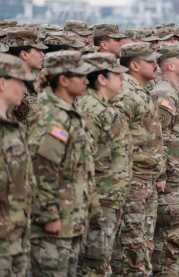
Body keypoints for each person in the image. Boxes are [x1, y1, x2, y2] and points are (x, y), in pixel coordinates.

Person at [28, 50, 97, 276]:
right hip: (55, 222)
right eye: (80, 76)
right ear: (64, 80)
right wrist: (49, 215)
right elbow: (42, 169)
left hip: (72, 216)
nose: (87, 80)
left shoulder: (70, 112)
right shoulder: (52, 115)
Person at [110, 42, 165, 276]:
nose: (156, 65)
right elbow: (117, 141)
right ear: (134, 65)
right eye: (150, 61)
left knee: (143, 239)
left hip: (147, 177)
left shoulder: (143, 90)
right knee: (131, 243)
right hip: (133, 178)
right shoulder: (126, 94)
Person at [77, 53, 131, 276]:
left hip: (111, 194)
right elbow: (84, 158)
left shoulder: (104, 105)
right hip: (100, 196)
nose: (122, 80)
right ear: (101, 79)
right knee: (94, 260)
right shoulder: (91, 108)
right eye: (118, 76)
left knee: (103, 256)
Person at [150, 43, 179, 276]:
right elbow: (158, 138)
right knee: (170, 231)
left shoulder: (176, 92)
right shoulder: (163, 94)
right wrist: (161, 174)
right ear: (170, 65)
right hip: (171, 176)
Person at [0, 53, 35, 277]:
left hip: (17, 237)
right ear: (2, 83)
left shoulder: (14, 128)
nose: (24, 89)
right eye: (20, 82)